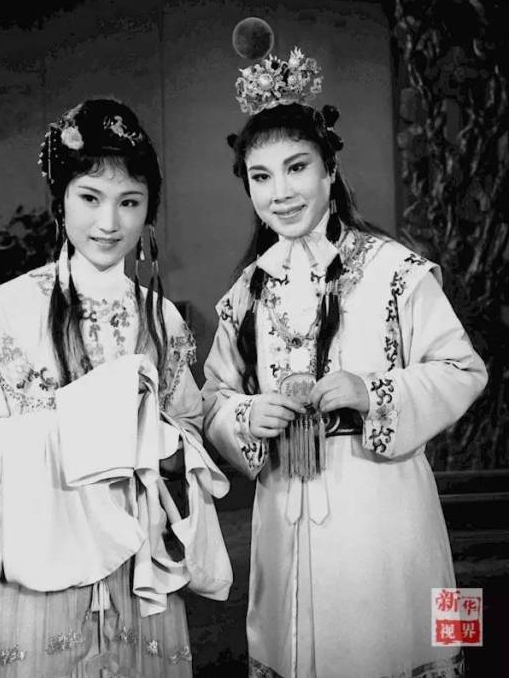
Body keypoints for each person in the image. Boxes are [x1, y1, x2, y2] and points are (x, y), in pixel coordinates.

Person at [202, 46, 487, 678]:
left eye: (297, 168)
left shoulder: (394, 270)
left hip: (382, 505)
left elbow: (464, 368)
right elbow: (213, 397)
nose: (280, 193)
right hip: (284, 512)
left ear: (330, 171)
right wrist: (247, 415)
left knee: (391, 642)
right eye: (260, 177)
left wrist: (372, 391)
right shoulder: (245, 294)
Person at [0, 98, 232, 678]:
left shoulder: (163, 320)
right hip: (32, 577)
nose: (109, 223)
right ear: (60, 201)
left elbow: (186, 435)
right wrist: (78, 429)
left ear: (149, 211)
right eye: (90, 198)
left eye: (130, 202)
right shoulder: (6, 310)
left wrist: (166, 448)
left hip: (134, 575)